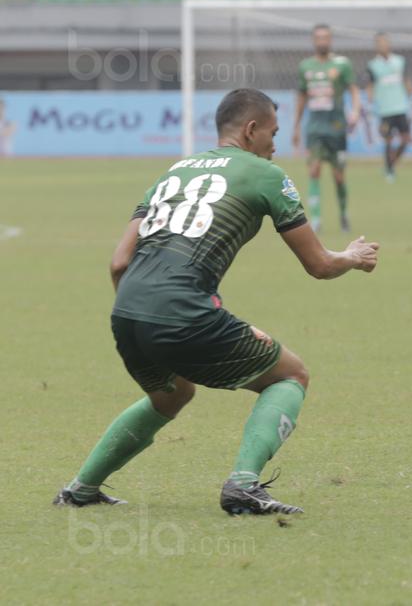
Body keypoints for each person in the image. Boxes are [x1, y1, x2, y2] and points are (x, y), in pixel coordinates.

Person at [53, 88, 381, 515]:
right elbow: (318, 265)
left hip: (128, 311)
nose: (275, 144)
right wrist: (351, 257)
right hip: (181, 310)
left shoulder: (174, 172)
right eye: (273, 132)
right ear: (250, 130)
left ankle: (81, 489)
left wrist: (145, 314)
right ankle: (243, 486)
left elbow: (119, 262)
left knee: (171, 395)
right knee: (290, 376)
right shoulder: (266, 174)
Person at [293, 24, 362, 232]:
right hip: (314, 129)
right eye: (319, 38)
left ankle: (343, 214)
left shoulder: (342, 65)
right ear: (314, 41)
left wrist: (356, 111)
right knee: (313, 171)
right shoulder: (306, 66)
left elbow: (353, 89)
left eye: (326, 38)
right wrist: (296, 126)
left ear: (330, 40)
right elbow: (302, 97)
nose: (322, 41)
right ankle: (315, 220)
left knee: (338, 176)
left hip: (336, 127)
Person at [366, 32, 412, 182]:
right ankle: (389, 172)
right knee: (388, 139)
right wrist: (371, 103)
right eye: (379, 43)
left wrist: (411, 99)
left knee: (406, 139)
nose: (383, 45)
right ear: (376, 46)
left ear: (389, 44)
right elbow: (370, 86)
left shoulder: (400, 61)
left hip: (401, 106)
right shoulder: (372, 65)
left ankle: (391, 163)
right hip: (385, 109)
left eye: (385, 42)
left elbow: (406, 81)